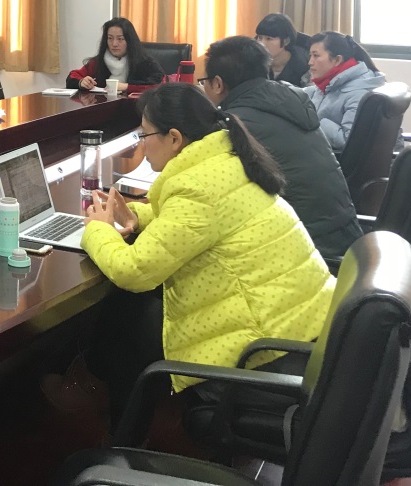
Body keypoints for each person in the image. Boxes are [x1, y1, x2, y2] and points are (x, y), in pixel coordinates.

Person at [72, 83, 333, 424]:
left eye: (144, 135)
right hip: (303, 337)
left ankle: (116, 426)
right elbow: (196, 225)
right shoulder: (227, 163)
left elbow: (133, 271)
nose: (141, 145)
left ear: (174, 138)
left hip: (263, 360)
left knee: (131, 319)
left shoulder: (196, 188)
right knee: (134, 311)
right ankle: (101, 401)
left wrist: (97, 230)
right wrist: (135, 217)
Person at [202, 36, 361, 259]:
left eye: (204, 82)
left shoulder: (234, 125)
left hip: (308, 253)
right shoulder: (292, 98)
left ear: (217, 84)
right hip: (347, 240)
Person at [301, 31, 386, 153]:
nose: (310, 62)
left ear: (337, 60)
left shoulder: (359, 92)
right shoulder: (329, 83)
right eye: (310, 56)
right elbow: (307, 93)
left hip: (343, 162)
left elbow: (348, 142)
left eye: (316, 56)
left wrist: (315, 120)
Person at [65, 16, 165, 90]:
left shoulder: (145, 62)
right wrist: (81, 82)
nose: (114, 44)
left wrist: (126, 87)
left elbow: (159, 85)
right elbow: (73, 76)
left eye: (120, 39)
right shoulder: (99, 61)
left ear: (129, 41)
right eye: (110, 38)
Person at [254, 12, 309, 85]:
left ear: (286, 41)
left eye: (269, 39)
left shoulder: (305, 65)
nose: (262, 43)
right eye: (260, 38)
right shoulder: (254, 62)